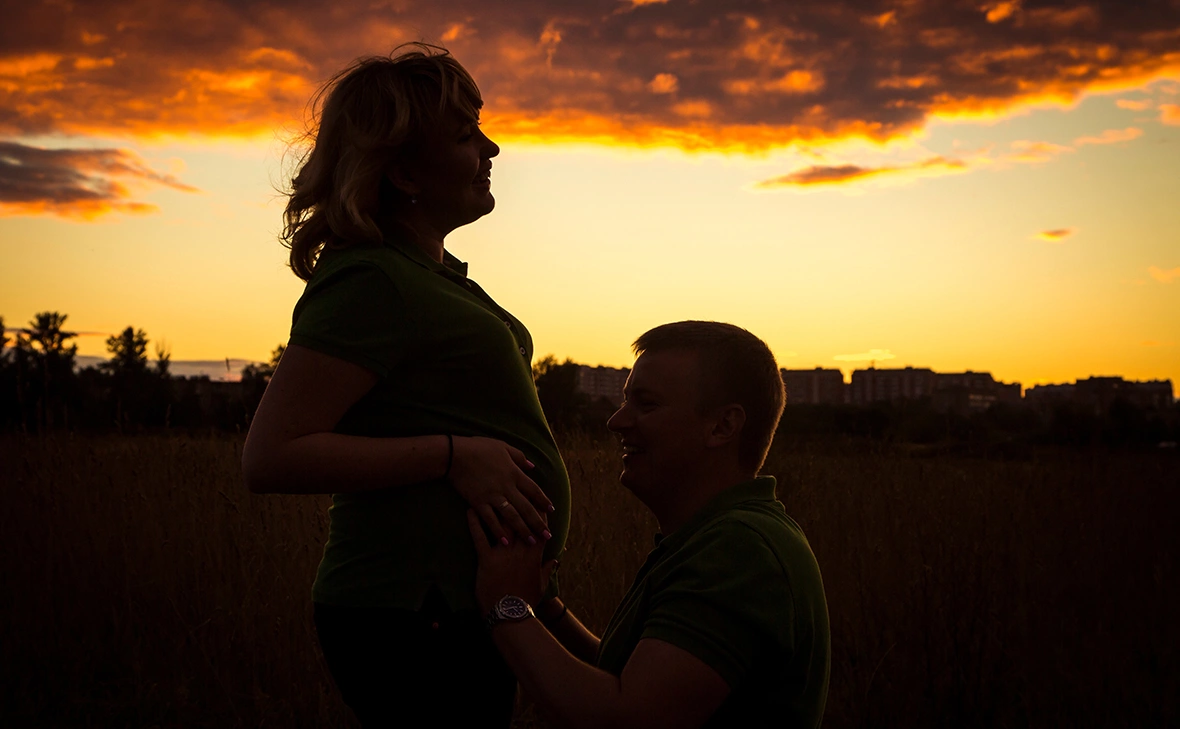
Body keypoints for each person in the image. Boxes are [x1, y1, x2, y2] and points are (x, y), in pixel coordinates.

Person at [241, 44, 570, 728]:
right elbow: (272, 455)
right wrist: (456, 455)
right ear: (403, 170)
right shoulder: (371, 278)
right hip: (411, 612)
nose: (493, 147)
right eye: (464, 134)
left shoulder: (430, 276)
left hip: (454, 606)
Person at [469, 321, 830, 729]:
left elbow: (631, 716)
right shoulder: (714, 536)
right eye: (625, 401)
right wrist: (545, 609)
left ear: (723, 426)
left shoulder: (740, 549)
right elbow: (629, 677)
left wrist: (505, 607)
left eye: (646, 404)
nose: (616, 421)